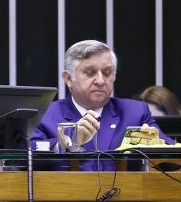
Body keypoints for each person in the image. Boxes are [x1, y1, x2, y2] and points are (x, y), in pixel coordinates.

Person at [31, 40, 174, 151]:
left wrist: (156, 147)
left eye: (107, 73)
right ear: (68, 78)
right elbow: (24, 158)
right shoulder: (43, 114)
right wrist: (70, 143)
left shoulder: (135, 113)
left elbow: (172, 156)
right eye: (90, 73)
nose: (100, 81)